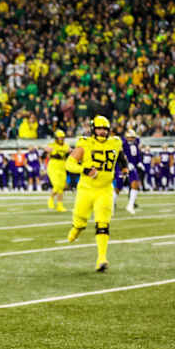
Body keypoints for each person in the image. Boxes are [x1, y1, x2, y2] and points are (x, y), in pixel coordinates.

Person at [65, 115, 128, 272]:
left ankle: (102, 258)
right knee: (80, 222)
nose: (102, 132)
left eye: (104, 129)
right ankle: (76, 229)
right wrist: (84, 169)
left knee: (103, 224)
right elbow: (69, 163)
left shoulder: (115, 142)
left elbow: (120, 156)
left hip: (105, 189)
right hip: (86, 190)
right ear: (93, 129)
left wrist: (125, 169)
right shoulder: (85, 144)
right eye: (99, 129)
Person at [45, 129, 70, 212]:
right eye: (59, 138)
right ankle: (51, 198)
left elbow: (71, 151)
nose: (61, 139)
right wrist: (48, 149)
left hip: (62, 167)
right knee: (57, 185)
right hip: (53, 167)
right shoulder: (52, 145)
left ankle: (60, 205)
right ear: (56, 138)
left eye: (62, 138)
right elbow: (46, 148)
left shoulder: (66, 145)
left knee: (61, 188)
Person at [121, 129, 144, 214]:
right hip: (123, 167)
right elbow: (122, 156)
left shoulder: (135, 143)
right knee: (118, 186)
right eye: (131, 137)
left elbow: (137, 154)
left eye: (133, 137)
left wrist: (139, 162)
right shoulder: (123, 144)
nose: (132, 139)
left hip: (133, 167)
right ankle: (111, 204)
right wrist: (126, 164)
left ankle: (130, 205)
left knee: (135, 184)